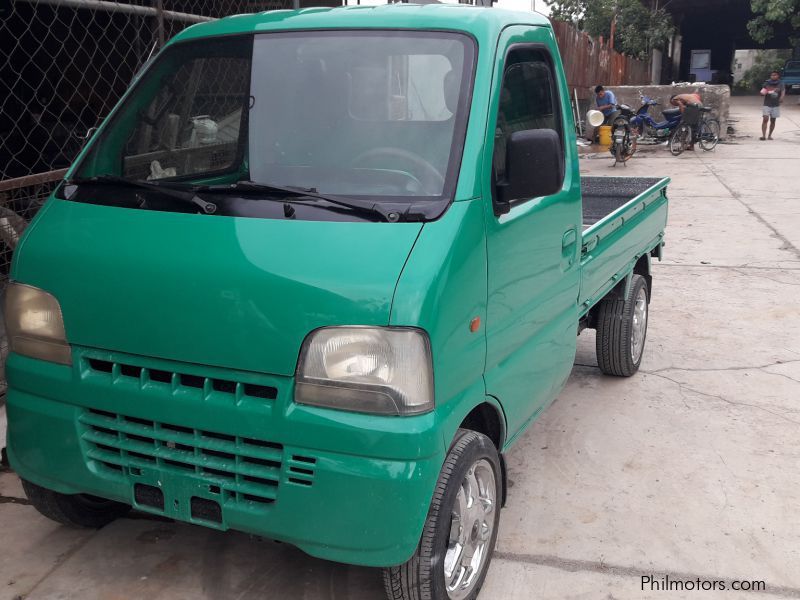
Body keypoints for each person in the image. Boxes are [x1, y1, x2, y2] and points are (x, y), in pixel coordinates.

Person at [760, 70, 785, 140]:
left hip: (776, 105)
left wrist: (782, 97)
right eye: (772, 75)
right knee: (765, 119)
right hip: (767, 104)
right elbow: (762, 91)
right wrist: (762, 93)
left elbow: (783, 91)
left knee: (773, 121)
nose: (773, 76)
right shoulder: (767, 83)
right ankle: (763, 136)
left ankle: (770, 135)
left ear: (778, 76)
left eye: (775, 75)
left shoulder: (781, 83)